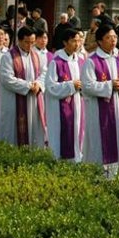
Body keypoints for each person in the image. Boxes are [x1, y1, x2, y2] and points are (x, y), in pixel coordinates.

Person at [81, 23, 119, 177]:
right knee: (100, 142)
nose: (113, 41)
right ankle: (98, 173)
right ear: (99, 41)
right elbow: (87, 86)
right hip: (99, 110)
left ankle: (116, 172)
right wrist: (109, 85)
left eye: (115, 37)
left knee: (118, 138)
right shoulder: (92, 60)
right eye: (109, 38)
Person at [0, 26, 47, 148]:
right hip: (13, 101)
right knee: (13, 135)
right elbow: (7, 79)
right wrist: (29, 86)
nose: (30, 45)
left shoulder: (37, 56)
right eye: (27, 42)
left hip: (33, 100)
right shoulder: (8, 57)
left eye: (32, 42)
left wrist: (38, 84)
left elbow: (44, 73)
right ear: (19, 40)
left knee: (33, 132)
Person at [46, 27, 86, 161]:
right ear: (65, 42)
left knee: (77, 133)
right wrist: (71, 85)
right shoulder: (56, 62)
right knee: (63, 136)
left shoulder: (81, 61)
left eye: (79, 41)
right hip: (61, 108)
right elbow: (50, 87)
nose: (77, 44)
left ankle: (77, 160)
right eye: (73, 41)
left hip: (78, 105)